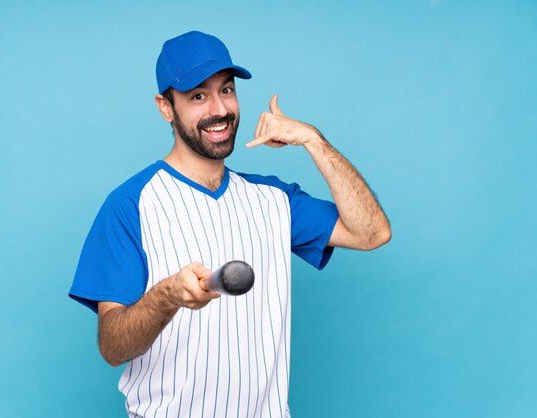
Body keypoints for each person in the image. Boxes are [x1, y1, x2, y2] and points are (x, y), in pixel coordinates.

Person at [69, 30, 391, 418]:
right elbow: (112, 347)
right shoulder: (130, 205)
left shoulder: (274, 199)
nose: (219, 109)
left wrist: (313, 141)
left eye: (226, 90)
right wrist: (167, 296)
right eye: (198, 96)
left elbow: (372, 232)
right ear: (165, 107)